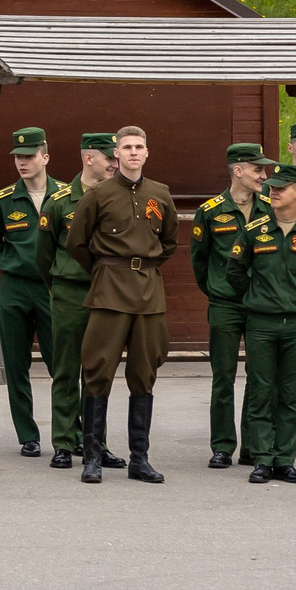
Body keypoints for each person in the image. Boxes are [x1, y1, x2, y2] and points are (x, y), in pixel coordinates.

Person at [63, 125, 181, 485]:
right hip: (109, 291)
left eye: (139, 147)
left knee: (144, 375)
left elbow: (170, 241)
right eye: (126, 147)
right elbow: (77, 242)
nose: (132, 152)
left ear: (147, 153)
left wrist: (141, 267)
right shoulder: (99, 194)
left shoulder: (160, 194)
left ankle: (139, 459)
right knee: (97, 372)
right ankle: (93, 458)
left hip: (148, 293)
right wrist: (105, 271)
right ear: (116, 154)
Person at [226, 163, 296, 485]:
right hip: (262, 323)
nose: (273, 192)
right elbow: (235, 271)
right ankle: (262, 459)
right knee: (260, 391)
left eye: (280, 188)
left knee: (290, 393)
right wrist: (258, 298)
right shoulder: (255, 230)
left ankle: (285, 460)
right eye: (271, 188)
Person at [33, 133, 117, 471]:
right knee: (66, 370)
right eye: (109, 157)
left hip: (107, 293)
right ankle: (64, 444)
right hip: (69, 292)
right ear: (89, 158)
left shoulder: (119, 198)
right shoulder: (60, 201)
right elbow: (43, 256)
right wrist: (57, 286)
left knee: (99, 373)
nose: (115, 163)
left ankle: (97, 443)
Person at [0, 127, 64, 459]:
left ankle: (68, 430)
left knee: (63, 363)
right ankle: (28, 434)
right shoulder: (2, 200)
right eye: (17, 156)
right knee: (15, 364)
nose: (22, 162)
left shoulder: (66, 196)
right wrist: (9, 262)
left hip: (52, 287)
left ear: (45, 157)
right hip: (14, 288)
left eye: (29, 156)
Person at [189, 142, 272, 469]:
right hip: (225, 305)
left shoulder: (269, 208)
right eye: (257, 169)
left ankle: (252, 446)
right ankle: (222, 445)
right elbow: (199, 260)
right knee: (223, 376)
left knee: (259, 376)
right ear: (238, 170)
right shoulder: (209, 211)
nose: (263, 176)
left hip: (260, 305)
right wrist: (214, 290)